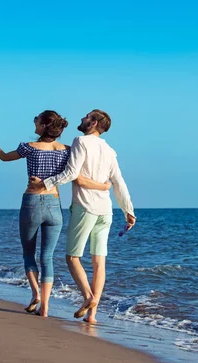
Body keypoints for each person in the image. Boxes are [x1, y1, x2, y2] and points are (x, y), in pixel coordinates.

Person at [0, 110, 110, 317]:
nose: (34, 121)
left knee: (29, 253)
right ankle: (45, 307)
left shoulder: (29, 148)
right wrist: (103, 186)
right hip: (54, 205)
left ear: (44, 125)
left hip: (31, 203)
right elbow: (78, 176)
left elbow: (2, 156)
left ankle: (35, 294)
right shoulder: (67, 150)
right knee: (47, 257)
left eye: (37, 119)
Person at [29, 109, 136, 324]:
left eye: (86, 117)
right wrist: (128, 211)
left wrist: (44, 183)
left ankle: (88, 297)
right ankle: (92, 316)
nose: (81, 119)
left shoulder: (81, 141)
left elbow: (71, 174)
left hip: (85, 207)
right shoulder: (110, 150)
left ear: (94, 123)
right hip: (106, 210)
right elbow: (119, 182)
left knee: (72, 257)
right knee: (99, 262)